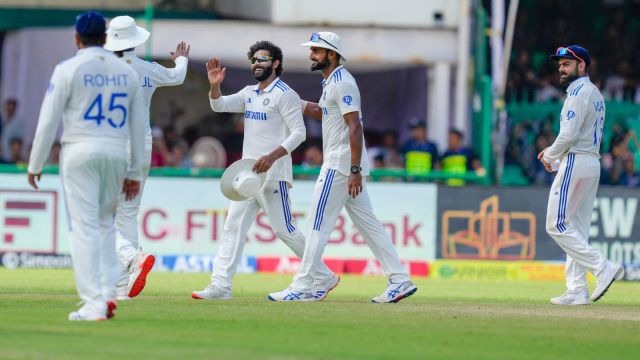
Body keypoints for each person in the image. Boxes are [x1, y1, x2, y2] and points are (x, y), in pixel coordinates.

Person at [268, 32, 417, 303]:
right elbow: (324, 113)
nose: (311, 55)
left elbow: (355, 125)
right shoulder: (332, 82)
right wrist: (296, 103)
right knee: (369, 225)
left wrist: (355, 170)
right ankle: (400, 280)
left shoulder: (343, 83)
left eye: (316, 51)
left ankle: (304, 285)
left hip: (341, 166)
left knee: (316, 225)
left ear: (332, 55)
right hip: (346, 166)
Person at [192, 41, 337, 300]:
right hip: (248, 176)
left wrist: (272, 157)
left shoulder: (285, 94)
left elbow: (299, 133)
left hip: (274, 174)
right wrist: (215, 86)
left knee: (285, 230)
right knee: (232, 227)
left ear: (276, 63)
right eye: (254, 60)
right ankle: (221, 286)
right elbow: (219, 105)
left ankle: (323, 275)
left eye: (263, 59)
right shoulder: (250, 93)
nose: (257, 64)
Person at [27, 11, 146, 321]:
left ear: (76, 38)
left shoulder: (67, 68)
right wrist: (134, 172)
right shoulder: (127, 73)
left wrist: (35, 163)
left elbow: (48, 119)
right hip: (117, 153)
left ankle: (94, 303)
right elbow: (138, 126)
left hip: (79, 151)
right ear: (106, 38)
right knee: (107, 225)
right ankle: (107, 296)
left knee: (82, 228)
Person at [104, 15, 190, 300]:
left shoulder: (99, 70)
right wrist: (181, 59)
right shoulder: (146, 68)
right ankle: (121, 285)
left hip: (114, 144)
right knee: (127, 215)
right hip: (142, 146)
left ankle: (131, 258)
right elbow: (177, 76)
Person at [540, 45, 624, 305]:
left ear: (582, 65)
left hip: (576, 160)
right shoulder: (595, 92)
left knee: (556, 224)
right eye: (560, 65)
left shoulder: (578, 92)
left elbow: (568, 135)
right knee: (576, 228)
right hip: (591, 162)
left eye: (567, 64)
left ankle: (602, 268)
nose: (561, 69)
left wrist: (551, 155)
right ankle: (577, 289)